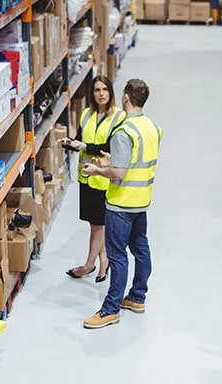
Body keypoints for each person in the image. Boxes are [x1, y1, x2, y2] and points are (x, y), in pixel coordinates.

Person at [78, 79, 161, 330]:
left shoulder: (124, 131)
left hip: (121, 203)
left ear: (125, 97)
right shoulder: (151, 127)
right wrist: (114, 159)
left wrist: (97, 169)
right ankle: (137, 297)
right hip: (141, 200)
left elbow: (119, 173)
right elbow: (137, 161)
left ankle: (111, 308)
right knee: (141, 248)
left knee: (117, 256)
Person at [61, 76, 125, 283]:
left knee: (98, 225)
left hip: (103, 177)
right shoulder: (87, 114)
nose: (101, 94)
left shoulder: (118, 117)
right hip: (86, 177)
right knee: (95, 223)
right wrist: (70, 143)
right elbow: (81, 139)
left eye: (105, 89)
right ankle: (104, 260)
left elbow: (111, 147)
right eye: (97, 90)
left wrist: (84, 147)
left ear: (111, 92)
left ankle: (88, 265)